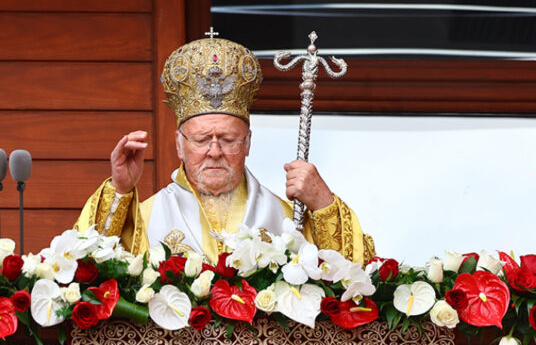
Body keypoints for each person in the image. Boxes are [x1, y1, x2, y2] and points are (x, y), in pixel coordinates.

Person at [76, 36, 374, 263]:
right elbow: (85, 268)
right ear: (179, 145)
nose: (215, 151)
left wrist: (323, 204)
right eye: (203, 139)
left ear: (247, 143)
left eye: (229, 140)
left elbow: (356, 274)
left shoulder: (287, 221)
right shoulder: (143, 218)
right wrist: (120, 190)